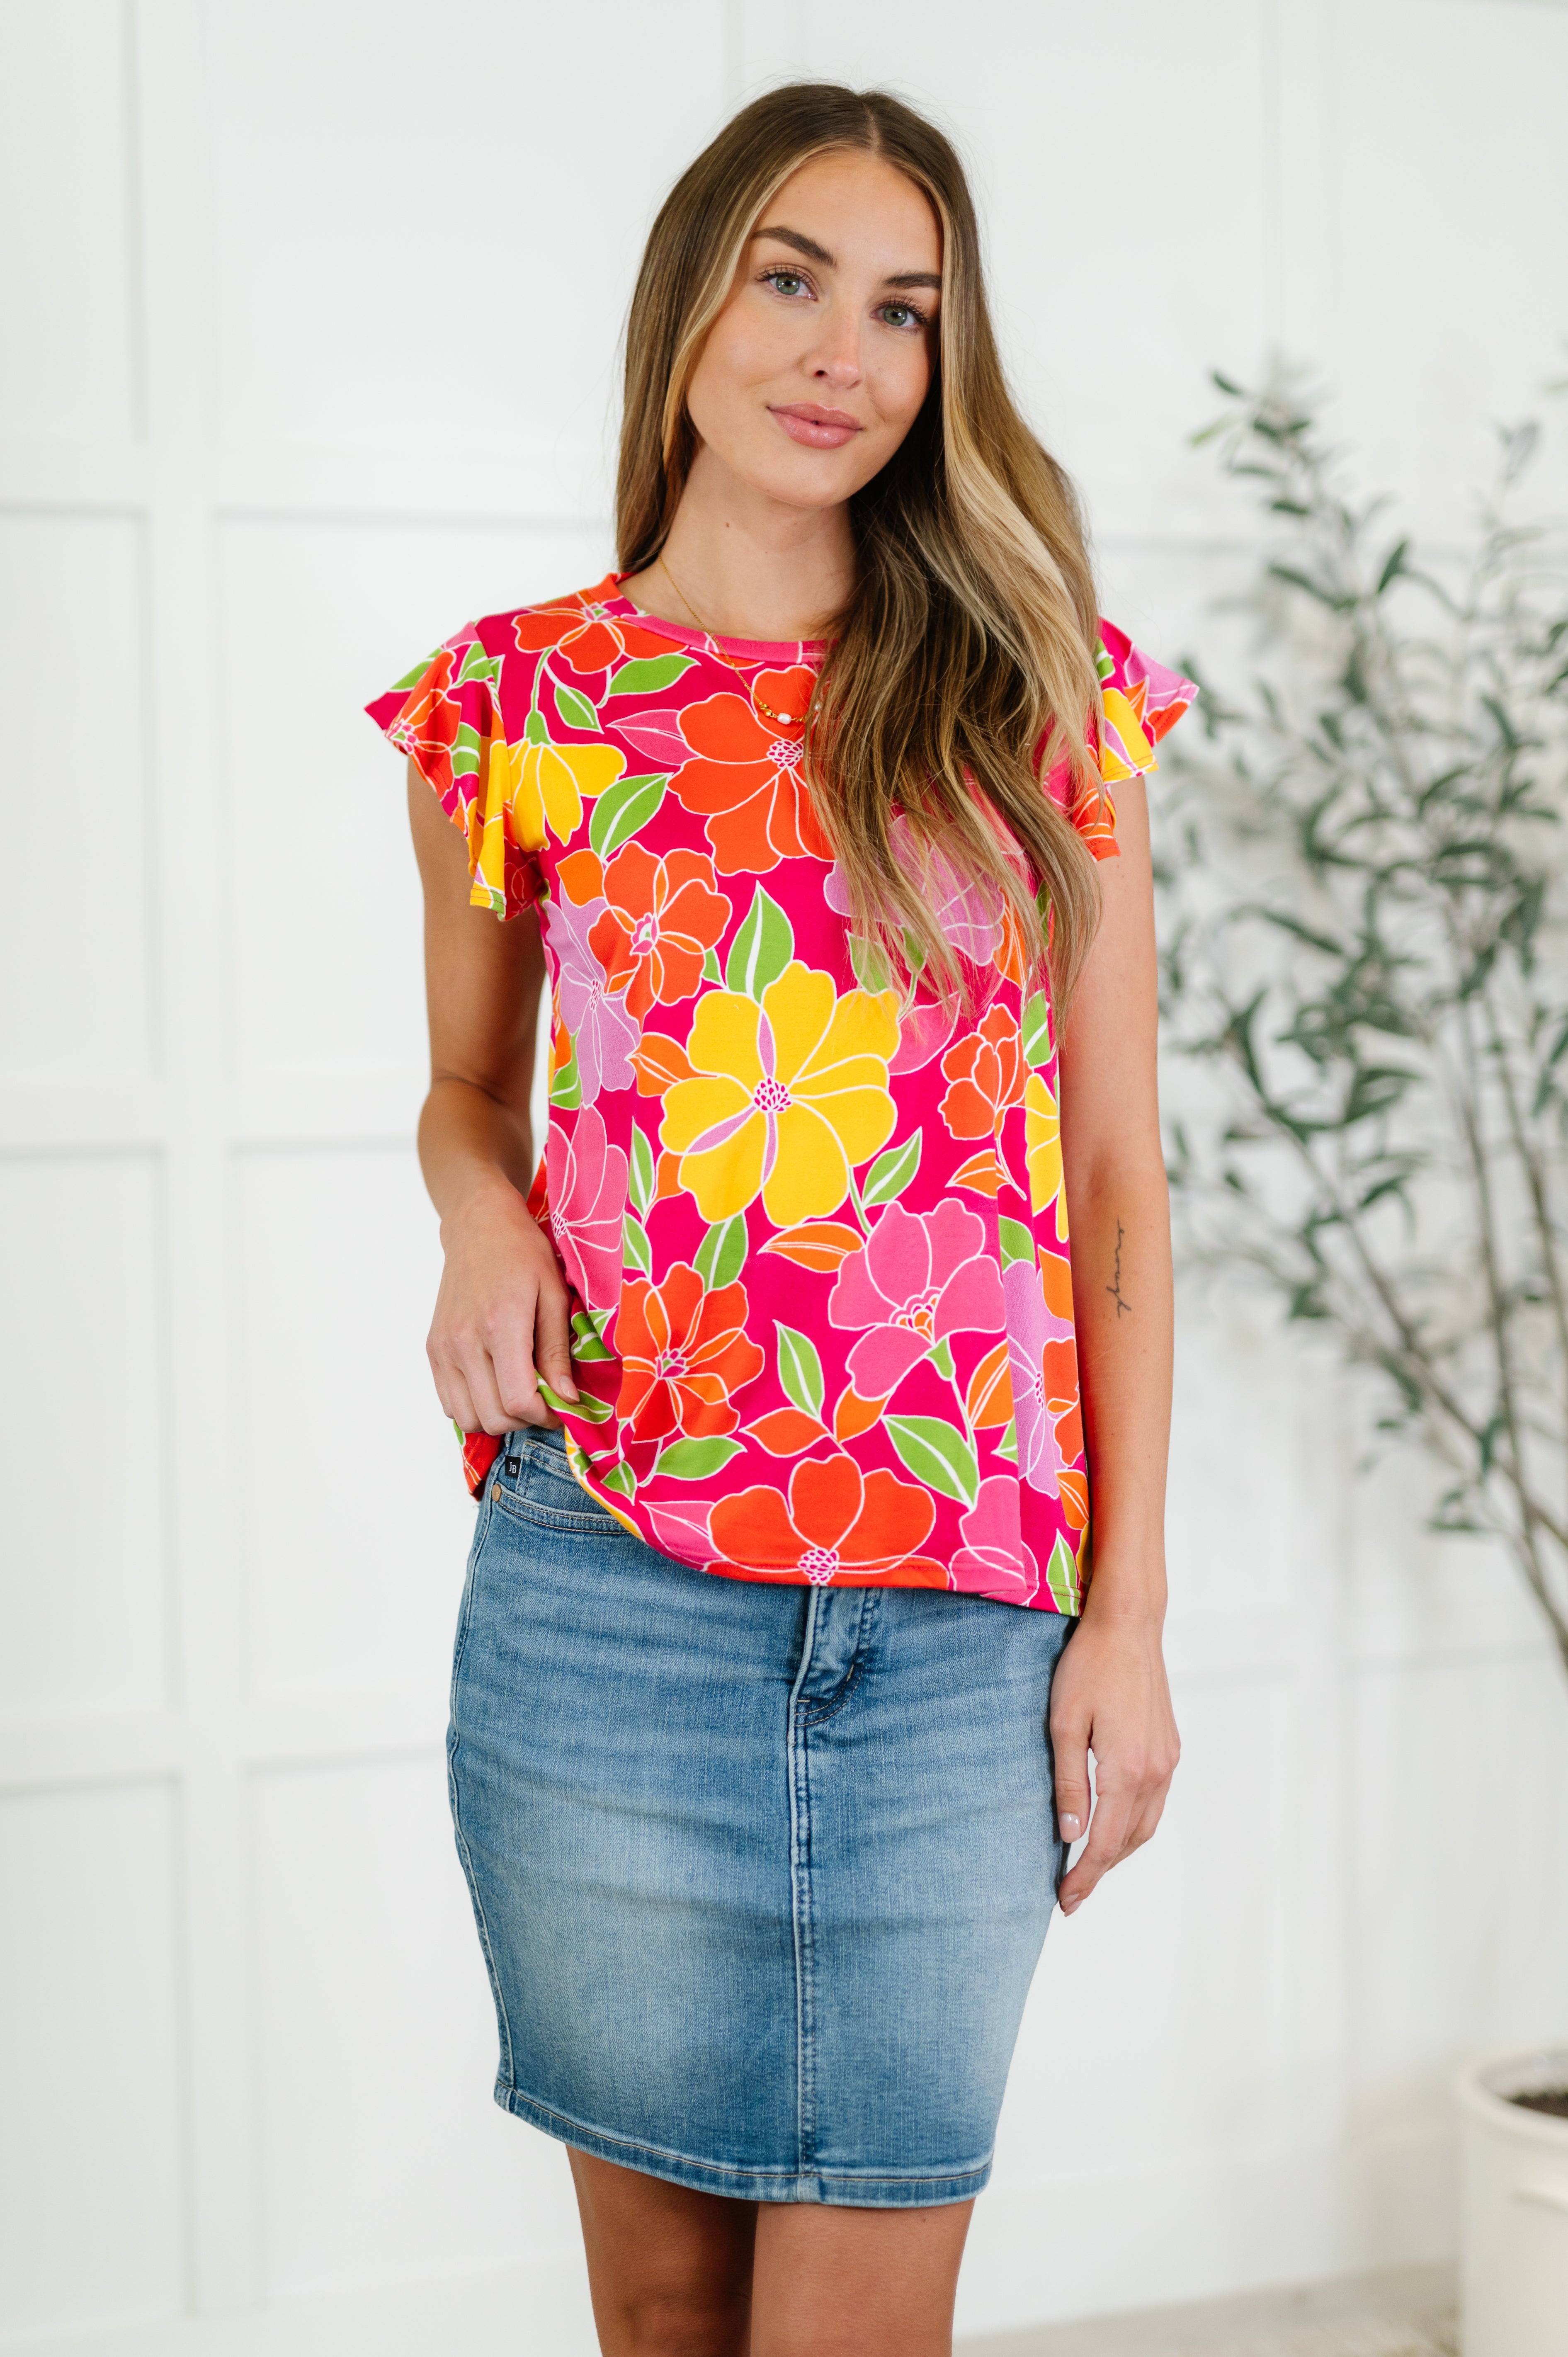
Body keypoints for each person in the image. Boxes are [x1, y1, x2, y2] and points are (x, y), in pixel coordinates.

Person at [368, 81, 1189, 2357]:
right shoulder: (519, 701)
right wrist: (477, 1218)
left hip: (955, 1630)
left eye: (906, 310)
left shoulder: (1043, 699)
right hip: (605, 1595)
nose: (846, 351)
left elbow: (1116, 1178)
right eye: (793, 280)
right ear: (688, 309)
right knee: (660, 2322)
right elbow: (463, 1091)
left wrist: (1127, 1614)